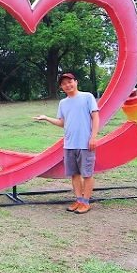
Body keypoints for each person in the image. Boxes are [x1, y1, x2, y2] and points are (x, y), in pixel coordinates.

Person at [34, 72, 99, 214]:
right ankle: (79, 200)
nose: (67, 85)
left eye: (70, 81)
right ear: (61, 87)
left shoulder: (87, 97)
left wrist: (93, 137)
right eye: (63, 84)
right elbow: (62, 122)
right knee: (74, 174)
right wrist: (46, 118)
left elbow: (95, 117)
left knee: (87, 174)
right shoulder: (63, 103)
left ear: (76, 82)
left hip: (85, 143)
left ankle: (86, 202)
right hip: (69, 144)